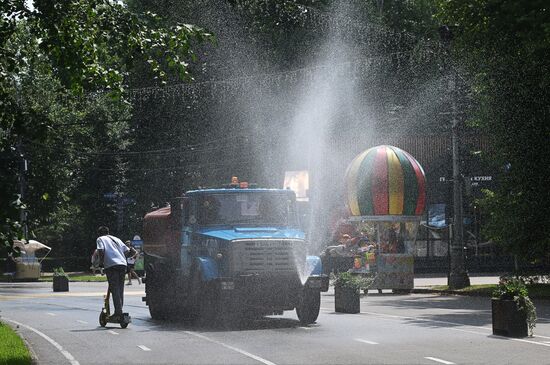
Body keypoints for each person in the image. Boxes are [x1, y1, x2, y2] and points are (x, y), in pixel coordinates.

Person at [96, 226, 135, 320]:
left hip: (111, 265)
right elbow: (128, 252)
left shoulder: (100, 239)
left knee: (114, 288)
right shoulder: (116, 239)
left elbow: (101, 250)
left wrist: (101, 263)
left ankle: (118, 312)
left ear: (99, 233)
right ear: (108, 232)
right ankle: (119, 310)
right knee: (120, 288)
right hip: (122, 265)